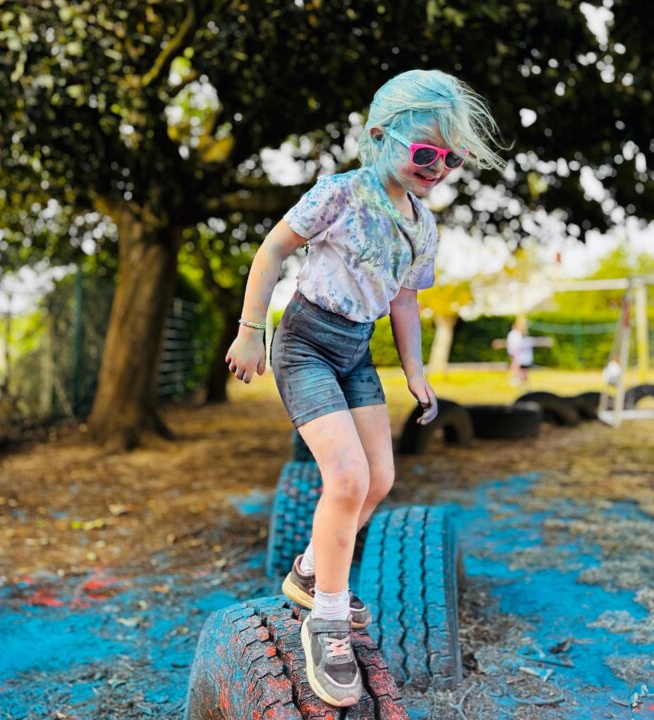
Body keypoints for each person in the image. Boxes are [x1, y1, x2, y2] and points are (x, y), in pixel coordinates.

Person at [225, 69, 504, 707]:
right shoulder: (340, 195)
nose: (438, 168)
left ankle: (308, 572)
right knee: (347, 478)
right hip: (305, 343)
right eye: (426, 153)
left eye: (452, 159)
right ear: (380, 137)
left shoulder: (422, 226)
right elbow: (271, 252)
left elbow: (404, 301)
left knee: (380, 478)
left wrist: (416, 372)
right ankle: (325, 619)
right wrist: (250, 331)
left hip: (356, 352)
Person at [506, 316, 533, 386]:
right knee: (517, 367)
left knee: (521, 368)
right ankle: (518, 379)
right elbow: (515, 344)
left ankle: (521, 380)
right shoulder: (515, 334)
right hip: (517, 353)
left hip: (519, 354)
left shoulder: (517, 334)